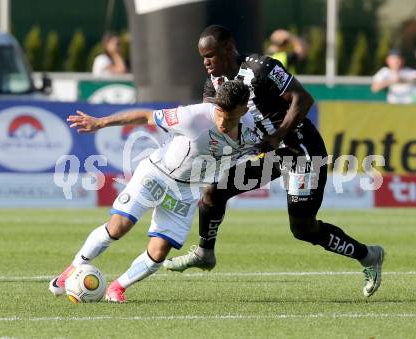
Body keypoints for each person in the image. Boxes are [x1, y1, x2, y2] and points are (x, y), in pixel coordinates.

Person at [163, 25, 385, 298]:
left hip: (301, 151)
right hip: (268, 154)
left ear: (228, 48)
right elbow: (215, 122)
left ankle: (369, 255)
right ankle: (204, 252)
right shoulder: (214, 83)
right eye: (202, 57)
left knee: (303, 228)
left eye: (210, 55)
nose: (206, 63)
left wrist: (278, 135)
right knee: (213, 192)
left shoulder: (261, 67)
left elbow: (303, 99)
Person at [49, 80, 259, 302]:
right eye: (219, 114)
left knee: (159, 253)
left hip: (186, 192)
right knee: (119, 226)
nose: (223, 122)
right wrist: (101, 122)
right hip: (157, 173)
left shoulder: (252, 129)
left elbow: (271, 142)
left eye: (230, 117)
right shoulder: (193, 117)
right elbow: (147, 116)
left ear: (244, 110)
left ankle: (117, 288)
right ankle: (73, 268)